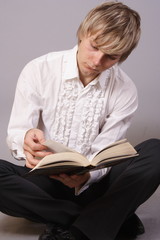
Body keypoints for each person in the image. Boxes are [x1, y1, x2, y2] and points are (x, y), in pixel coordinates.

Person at [0, 1, 160, 240]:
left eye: (111, 57)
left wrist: (87, 176)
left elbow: (105, 150)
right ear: (83, 33)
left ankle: (76, 230)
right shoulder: (39, 70)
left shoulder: (125, 89)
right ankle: (107, 221)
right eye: (94, 47)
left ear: (122, 57)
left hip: (96, 186)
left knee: (155, 150)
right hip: (45, 183)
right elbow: (18, 130)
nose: (97, 62)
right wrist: (25, 140)